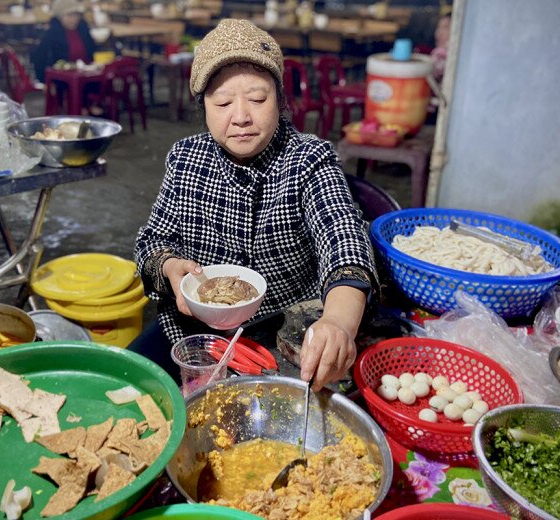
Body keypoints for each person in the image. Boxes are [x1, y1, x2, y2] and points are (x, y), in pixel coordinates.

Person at [131, 19, 377, 391]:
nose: (241, 116)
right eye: (224, 101)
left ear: (279, 99)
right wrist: (168, 267)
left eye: (258, 99)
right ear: (205, 107)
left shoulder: (308, 159)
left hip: (282, 336)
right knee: (129, 391)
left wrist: (339, 323)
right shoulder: (185, 158)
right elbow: (151, 242)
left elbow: (343, 240)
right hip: (192, 332)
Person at [31, 0, 96, 82]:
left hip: (88, 75)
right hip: (63, 79)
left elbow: (93, 52)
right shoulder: (52, 33)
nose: (74, 19)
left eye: (76, 15)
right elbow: (39, 60)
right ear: (59, 17)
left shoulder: (83, 29)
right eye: (69, 15)